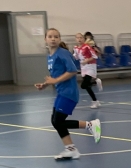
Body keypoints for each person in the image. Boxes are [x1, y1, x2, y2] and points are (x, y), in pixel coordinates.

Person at [35, 28, 102, 160]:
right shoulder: (50, 56)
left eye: (56, 36)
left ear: (59, 39)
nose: (53, 39)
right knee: (55, 121)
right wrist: (45, 84)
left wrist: (55, 81)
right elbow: (55, 75)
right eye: (50, 36)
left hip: (69, 93)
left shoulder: (63, 53)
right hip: (61, 92)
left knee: (58, 121)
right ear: (45, 39)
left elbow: (72, 71)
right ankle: (71, 149)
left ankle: (91, 125)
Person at [73, 33, 101, 108]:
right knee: (87, 87)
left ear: (83, 39)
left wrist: (87, 60)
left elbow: (95, 56)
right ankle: (95, 101)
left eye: (81, 37)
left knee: (83, 85)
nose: (79, 39)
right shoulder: (75, 48)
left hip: (90, 66)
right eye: (77, 38)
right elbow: (76, 57)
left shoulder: (87, 47)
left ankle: (95, 81)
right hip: (83, 67)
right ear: (75, 39)